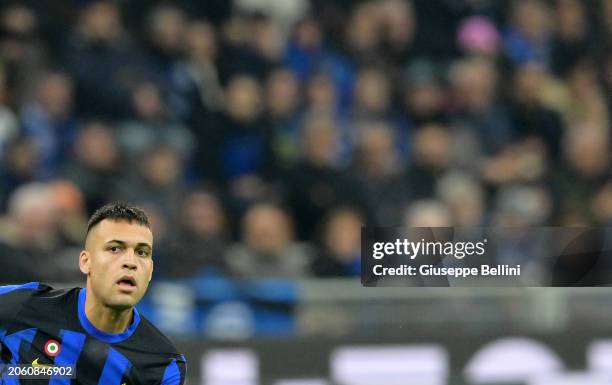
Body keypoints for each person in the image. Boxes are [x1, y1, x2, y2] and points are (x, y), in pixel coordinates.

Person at [0, 202, 186, 384]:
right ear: (85, 262)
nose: (131, 262)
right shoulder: (24, 305)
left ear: (151, 270)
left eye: (142, 252)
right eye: (115, 249)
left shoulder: (163, 365)